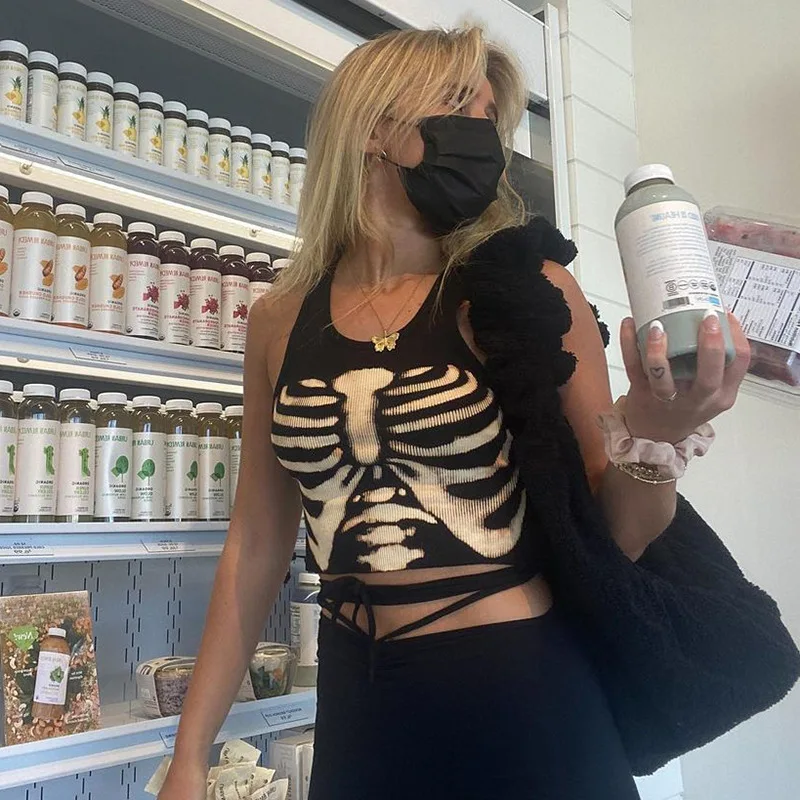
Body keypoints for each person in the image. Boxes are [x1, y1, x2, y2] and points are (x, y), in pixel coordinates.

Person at [157, 26, 750, 800]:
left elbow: (612, 537)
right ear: (374, 127)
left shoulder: (526, 292)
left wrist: (657, 439)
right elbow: (257, 542)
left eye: (490, 116)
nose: (482, 132)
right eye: (457, 102)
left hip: (520, 695)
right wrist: (190, 752)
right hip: (359, 700)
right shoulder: (279, 319)